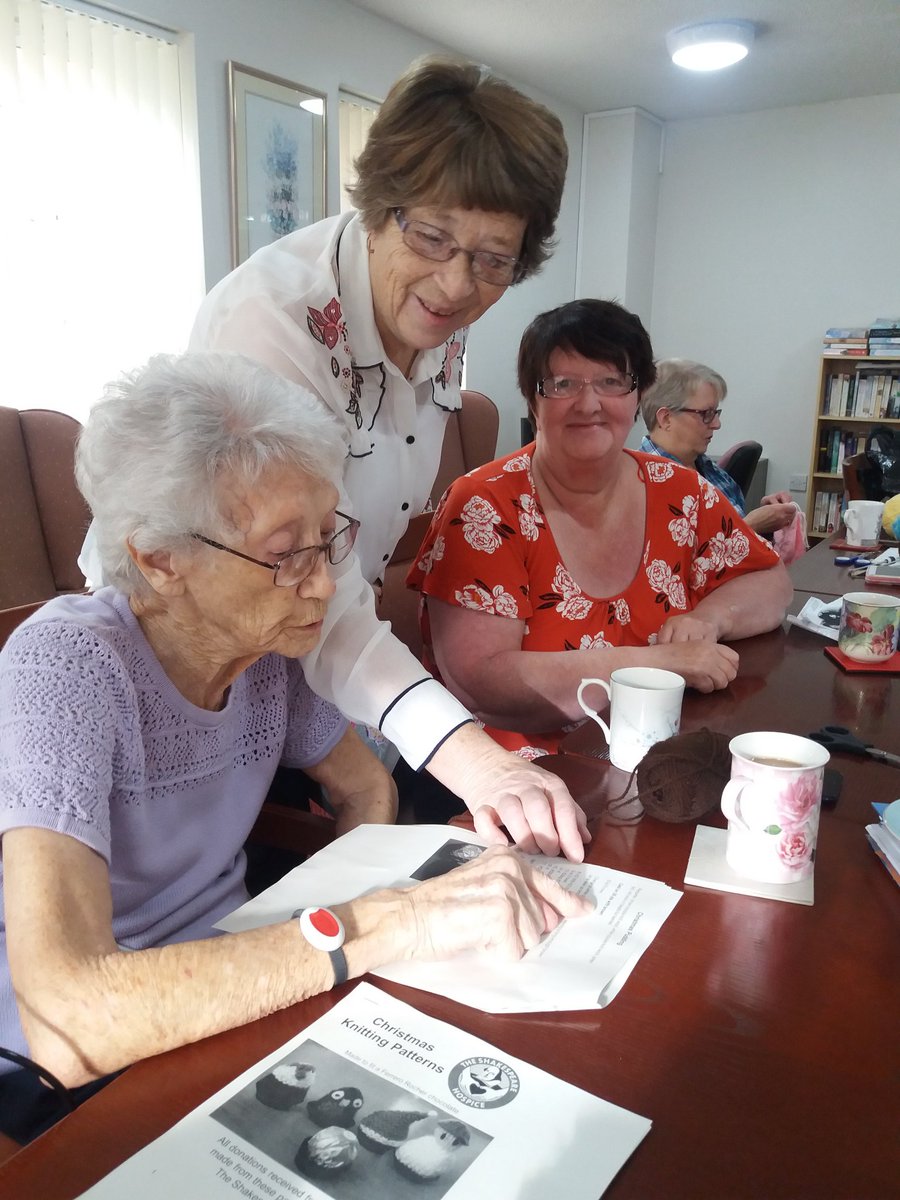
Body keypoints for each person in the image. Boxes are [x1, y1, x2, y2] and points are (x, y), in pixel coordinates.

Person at [0, 353, 591, 1144]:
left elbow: (364, 792)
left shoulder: (268, 652)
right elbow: (71, 1020)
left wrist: (361, 918)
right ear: (157, 559)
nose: (323, 585)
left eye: (328, 538)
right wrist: (379, 926)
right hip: (69, 1067)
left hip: (242, 985)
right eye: (287, 554)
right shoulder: (66, 666)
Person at [80, 54, 588, 861]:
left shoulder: (430, 318)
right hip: (186, 679)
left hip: (293, 673)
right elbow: (307, 586)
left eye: (495, 260)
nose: (457, 284)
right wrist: (472, 758)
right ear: (381, 205)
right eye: (432, 237)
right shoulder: (275, 322)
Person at [407, 299, 793, 758]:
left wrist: (709, 618)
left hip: (661, 745)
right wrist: (657, 666)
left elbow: (769, 580)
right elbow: (483, 683)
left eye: (611, 382)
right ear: (533, 397)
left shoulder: (679, 489)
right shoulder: (485, 506)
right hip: (520, 771)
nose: (589, 404)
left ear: (639, 395)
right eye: (563, 383)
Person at [639, 359, 796, 536]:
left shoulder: (708, 469)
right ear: (666, 418)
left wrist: (767, 517)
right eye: (706, 414)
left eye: (715, 413)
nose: (717, 424)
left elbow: (724, 531)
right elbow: (679, 559)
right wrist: (750, 526)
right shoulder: (642, 486)